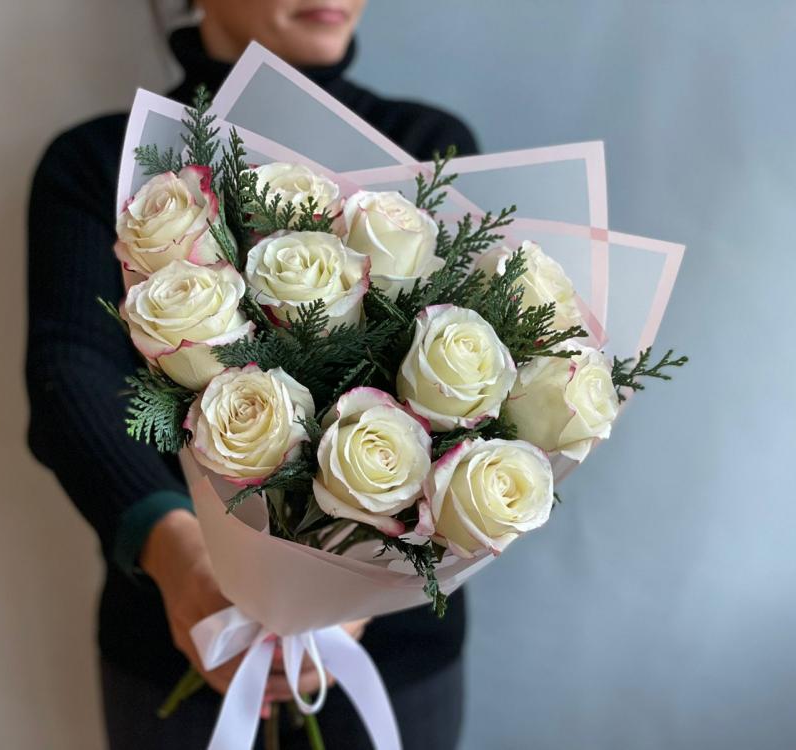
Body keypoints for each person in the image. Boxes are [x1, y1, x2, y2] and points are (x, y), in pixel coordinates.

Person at [25, 1, 477, 748]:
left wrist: (357, 577)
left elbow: (472, 393)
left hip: (391, 657)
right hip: (176, 631)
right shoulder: (103, 160)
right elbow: (69, 376)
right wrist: (177, 553)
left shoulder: (425, 148)